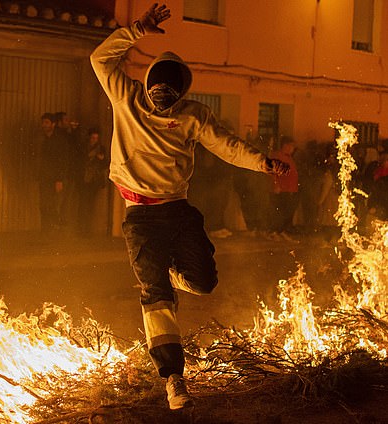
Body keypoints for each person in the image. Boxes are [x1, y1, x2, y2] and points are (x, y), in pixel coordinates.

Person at [90, 3, 290, 410]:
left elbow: (228, 146)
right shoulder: (125, 96)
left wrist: (263, 162)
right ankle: (173, 377)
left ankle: (165, 271)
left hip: (179, 209)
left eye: (170, 96)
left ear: (181, 94)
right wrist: (137, 30)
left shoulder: (194, 116)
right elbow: (100, 58)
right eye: (156, 93)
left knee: (203, 283)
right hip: (140, 214)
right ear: (146, 86)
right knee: (155, 293)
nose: (161, 101)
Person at [38, 112, 70, 235]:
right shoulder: (43, 139)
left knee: (52, 205)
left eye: (47, 123)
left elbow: (63, 161)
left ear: (53, 124)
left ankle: (52, 231)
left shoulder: (59, 140)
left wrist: (59, 180)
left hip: (54, 179)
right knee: (43, 204)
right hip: (44, 177)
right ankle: (45, 230)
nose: (44, 125)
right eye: (43, 123)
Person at [77, 128, 108, 236]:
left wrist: (101, 159)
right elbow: (79, 161)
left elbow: (105, 164)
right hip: (84, 179)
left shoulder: (100, 149)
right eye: (92, 137)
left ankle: (87, 230)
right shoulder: (83, 147)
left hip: (94, 180)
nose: (94, 140)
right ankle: (81, 229)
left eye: (96, 138)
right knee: (83, 204)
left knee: (90, 205)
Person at [267, 136, 299, 242]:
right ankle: (273, 232)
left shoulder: (289, 157)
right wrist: (276, 185)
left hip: (289, 190)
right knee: (279, 212)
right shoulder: (278, 156)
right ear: (285, 145)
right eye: (292, 146)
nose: (293, 148)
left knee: (286, 212)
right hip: (281, 190)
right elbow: (272, 172)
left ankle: (281, 231)